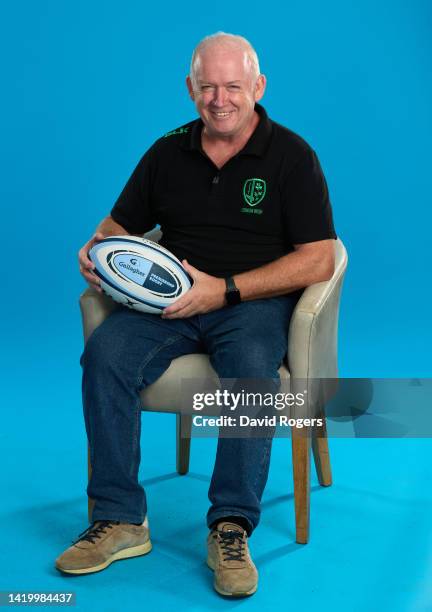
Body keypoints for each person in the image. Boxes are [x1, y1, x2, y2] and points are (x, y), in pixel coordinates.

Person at [55, 32, 336, 597]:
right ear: (190, 89)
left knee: (253, 372)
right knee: (104, 354)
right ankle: (120, 518)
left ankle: (230, 525)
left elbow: (321, 256)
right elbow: (116, 227)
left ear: (257, 87)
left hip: (251, 304)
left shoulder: (292, 156)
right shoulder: (167, 152)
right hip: (170, 304)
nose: (220, 99)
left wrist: (225, 290)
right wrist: (96, 251)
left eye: (233, 86)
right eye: (207, 87)